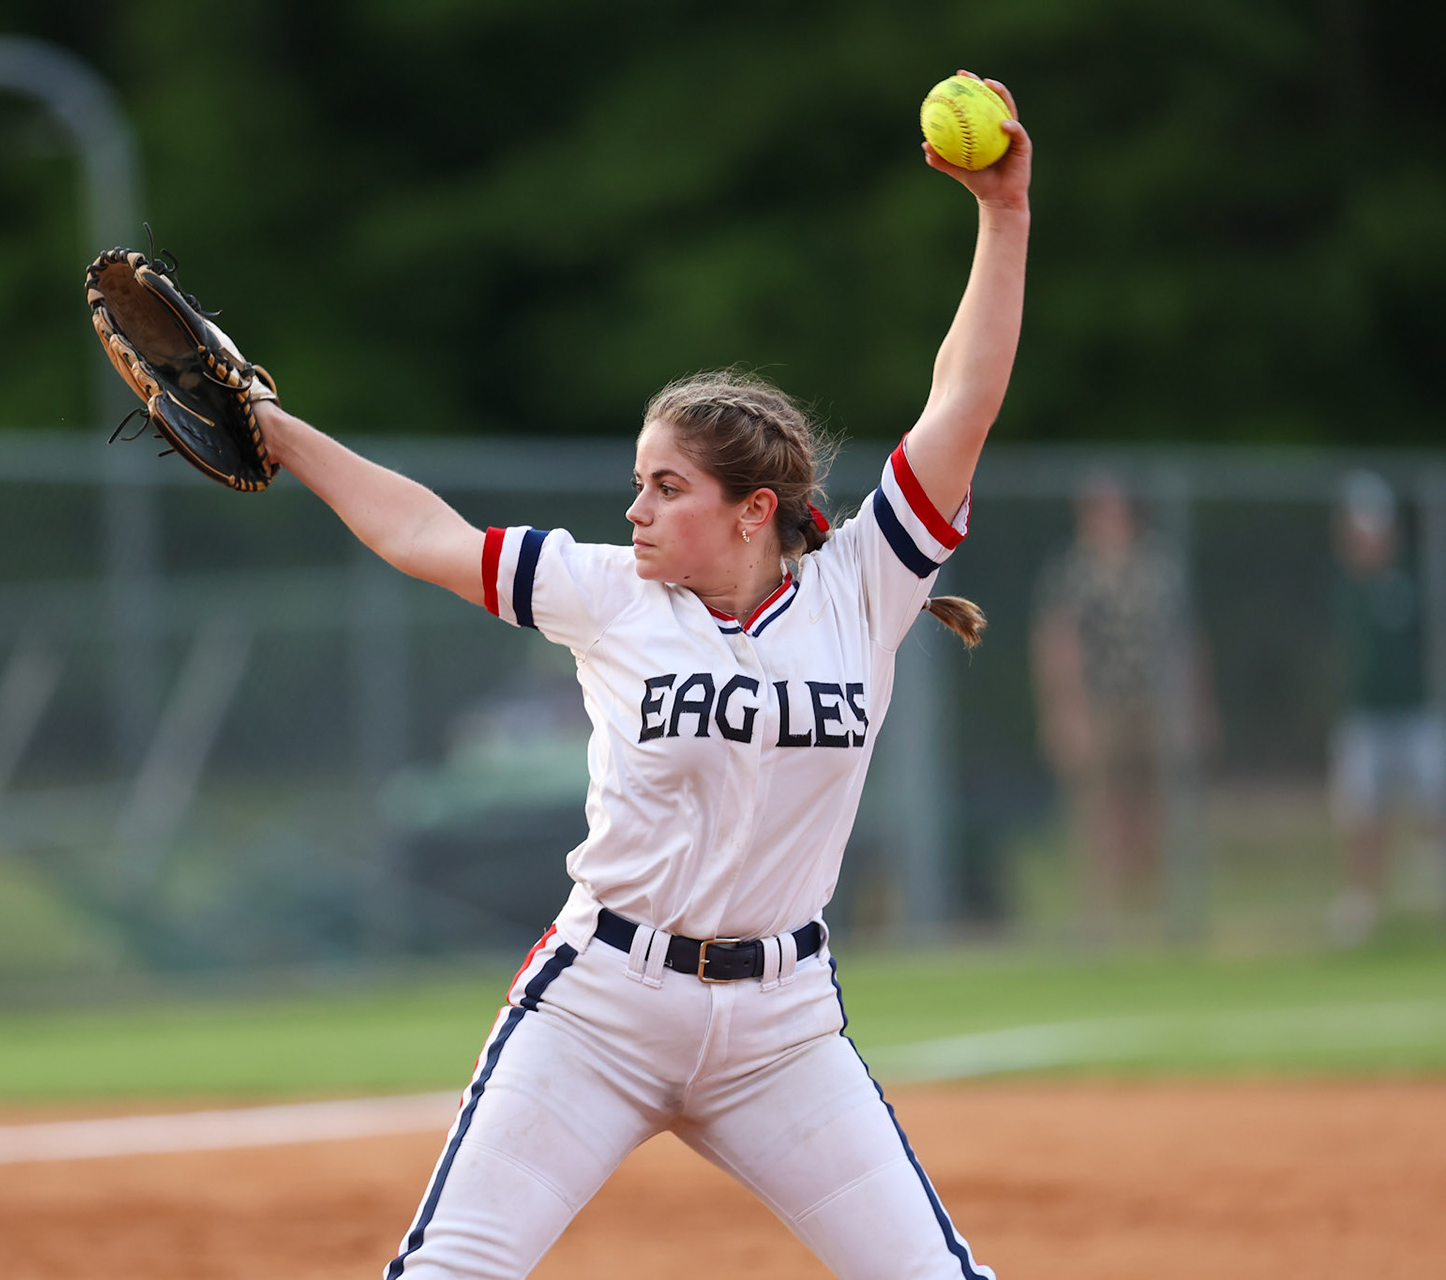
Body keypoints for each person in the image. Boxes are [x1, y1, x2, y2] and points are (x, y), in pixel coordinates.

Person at [252, 71, 1027, 1280]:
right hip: (602, 1004)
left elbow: (963, 399)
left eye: (667, 485)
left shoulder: (862, 586)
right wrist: (275, 426)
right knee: (449, 1271)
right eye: (638, 480)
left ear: (754, 508)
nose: (636, 507)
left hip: (781, 1028)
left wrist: (1003, 214)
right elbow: (424, 536)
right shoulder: (609, 589)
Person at [1029, 475, 1211, 939]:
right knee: (1100, 811)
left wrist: (1196, 705)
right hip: (1099, 704)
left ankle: (1158, 916)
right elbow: (1058, 641)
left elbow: (1183, 640)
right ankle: (1103, 921)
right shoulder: (1074, 570)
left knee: (1157, 808)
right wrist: (1065, 712)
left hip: (1153, 703)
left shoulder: (1158, 565)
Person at [1327, 470, 1443, 947]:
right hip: (1366, 716)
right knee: (1361, 812)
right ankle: (1362, 903)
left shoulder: (1417, 577)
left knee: (1434, 802)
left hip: (1417, 712)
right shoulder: (1346, 585)